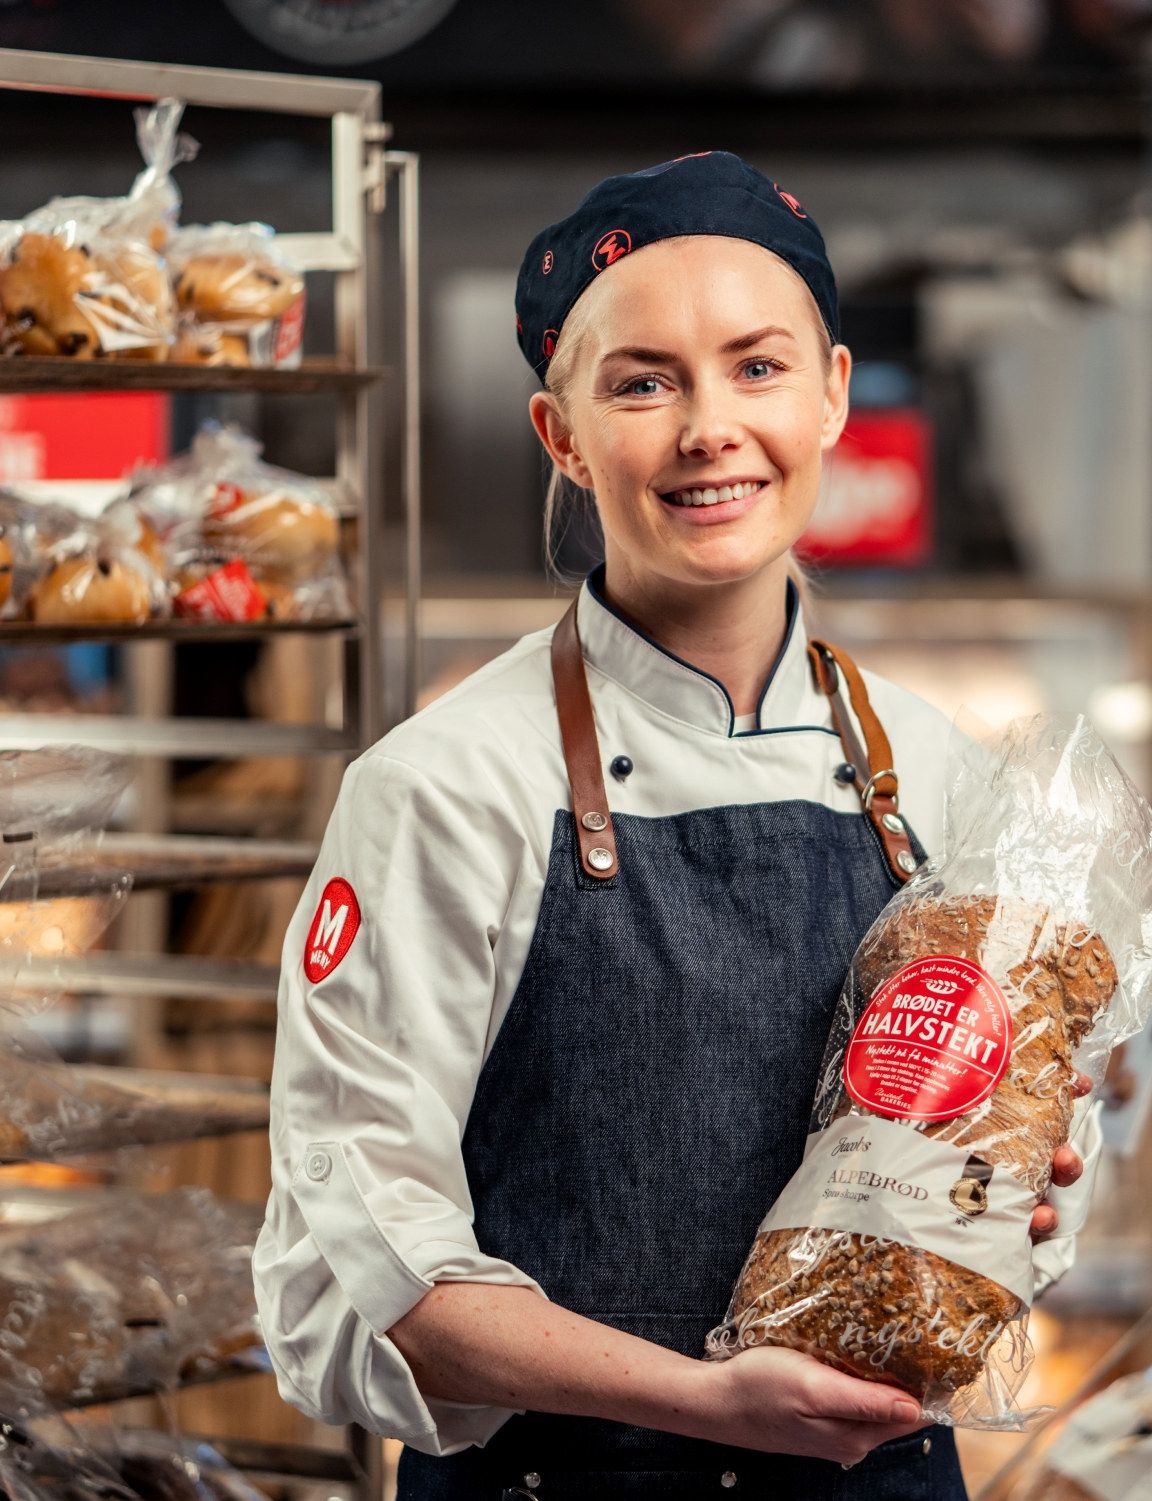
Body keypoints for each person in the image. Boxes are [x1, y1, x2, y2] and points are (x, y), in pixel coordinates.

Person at [254, 150, 1101, 1499]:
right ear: (564, 436)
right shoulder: (445, 786)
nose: (710, 425)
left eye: (758, 367)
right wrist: (712, 1401)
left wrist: (1018, 1195)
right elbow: (363, 1258)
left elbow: (1033, 1163)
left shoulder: (942, 778)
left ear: (830, 396)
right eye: (642, 381)